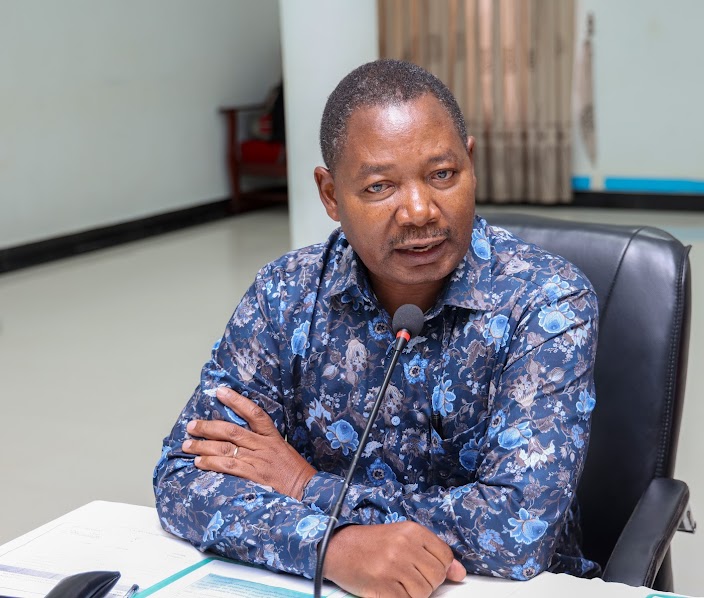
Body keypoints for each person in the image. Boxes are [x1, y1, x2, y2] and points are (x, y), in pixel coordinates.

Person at [154, 59, 600, 598]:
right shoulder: (285, 293)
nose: (419, 211)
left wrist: (306, 486)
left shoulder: (546, 299)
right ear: (330, 195)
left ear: (471, 164)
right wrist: (334, 549)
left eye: (443, 175)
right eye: (380, 186)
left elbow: (514, 532)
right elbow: (184, 477)